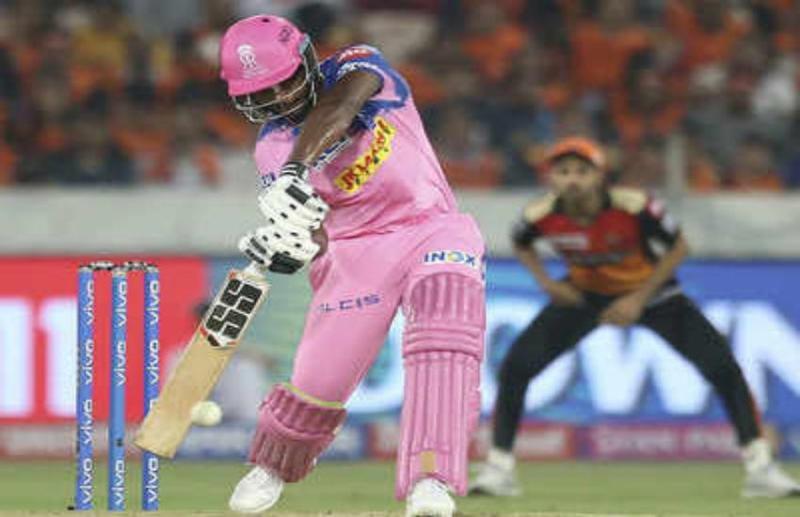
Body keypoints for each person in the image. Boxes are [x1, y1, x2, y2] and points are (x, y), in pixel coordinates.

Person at [218, 15, 486, 516]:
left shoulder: (357, 66)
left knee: (445, 324)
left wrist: (296, 170)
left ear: (306, 60)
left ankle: (431, 478)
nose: (278, 100)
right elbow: (314, 233)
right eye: (261, 95)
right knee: (319, 383)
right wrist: (290, 241)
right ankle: (272, 465)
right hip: (354, 254)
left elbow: (342, 107)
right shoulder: (271, 149)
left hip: (430, 225)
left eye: (283, 83)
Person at [468, 137, 800, 499]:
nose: (572, 180)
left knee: (723, 369)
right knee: (516, 368)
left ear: (600, 176)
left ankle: (761, 469)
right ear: (551, 179)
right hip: (584, 295)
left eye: (582, 171)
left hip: (652, 294)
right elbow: (521, 242)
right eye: (563, 172)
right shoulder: (540, 215)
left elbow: (679, 247)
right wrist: (547, 283)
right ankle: (499, 469)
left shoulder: (635, 207)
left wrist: (637, 300)